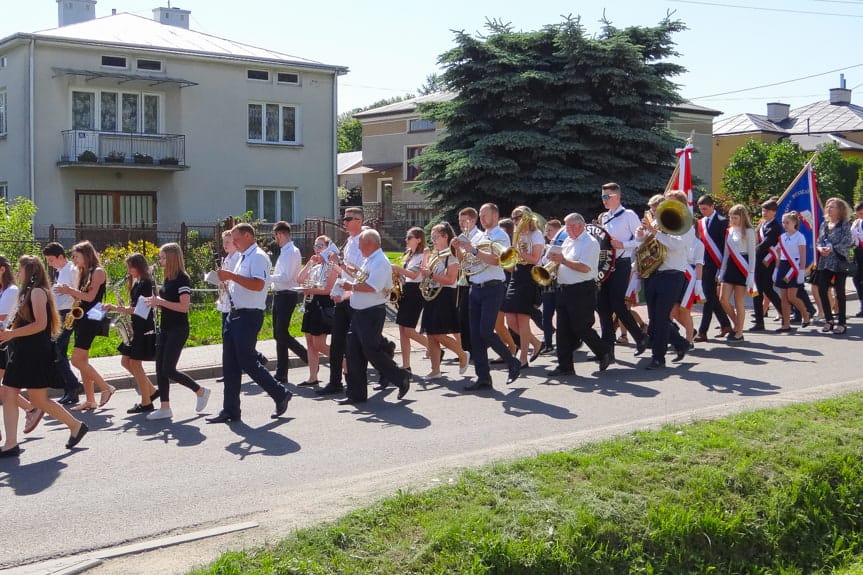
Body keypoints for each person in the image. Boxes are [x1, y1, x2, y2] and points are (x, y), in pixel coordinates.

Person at [0, 256, 88, 457]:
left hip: (34, 351)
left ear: (30, 271)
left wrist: (12, 334)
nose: (18, 273)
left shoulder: (38, 292)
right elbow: (22, 322)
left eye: (21, 269)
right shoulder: (27, 292)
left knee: (31, 398)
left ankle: (74, 425)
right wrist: (8, 334)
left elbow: (40, 324)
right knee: (17, 395)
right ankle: (12, 443)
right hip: (24, 349)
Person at [208, 224, 292, 423]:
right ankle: (230, 410)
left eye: (236, 239)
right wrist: (225, 282)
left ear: (248, 236)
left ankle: (280, 393)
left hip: (249, 315)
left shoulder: (258, 257)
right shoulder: (243, 257)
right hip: (234, 313)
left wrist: (230, 276)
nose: (233, 242)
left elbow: (258, 284)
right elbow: (240, 283)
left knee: (247, 361)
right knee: (229, 364)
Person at [452, 203, 521, 391]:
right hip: (476, 287)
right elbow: (465, 264)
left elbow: (496, 260)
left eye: (485, 216)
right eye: (480, 216)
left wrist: (473, 249)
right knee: (475, 336)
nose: (482, 219)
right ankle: (483, 377)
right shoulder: (480, 236)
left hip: (493, 288)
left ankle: (512, 361)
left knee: (485, 331)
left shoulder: (500, 236)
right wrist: (459, 248)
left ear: (495, 216)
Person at [339, 229, 410, 404]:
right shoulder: (369, 260)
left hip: (371, 312)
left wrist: (351, 287)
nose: (359, 248)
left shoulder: (380, 261)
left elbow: (373, 286)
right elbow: (362, 279)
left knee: (371, 351)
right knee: (354, 353)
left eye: (361, 245)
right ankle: (357, 394)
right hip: (360, 312)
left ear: (371, 244)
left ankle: (401, 377)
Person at [146, 244, 210, 420]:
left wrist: (160, 301)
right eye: (160, 258)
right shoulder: (168, 278)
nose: (161, 261)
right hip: (165, 327)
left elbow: (183, 307)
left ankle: (200, 391)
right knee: (160, 368)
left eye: (164, 258)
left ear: (173, 258)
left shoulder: (183, 279)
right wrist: (155, 300)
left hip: (178, 329)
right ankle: (165, 407)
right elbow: (165, 301)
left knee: (168, 369)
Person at [546, 213, 612, 376]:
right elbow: (562, 262)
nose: (565, 229)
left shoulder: (589, 243)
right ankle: (565, 366)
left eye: (569, 226)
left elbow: (584, 267)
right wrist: (553, 261)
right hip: (564, 288)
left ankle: (604, 351)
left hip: (582, 289)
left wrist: (562, 261)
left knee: (581, 327)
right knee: (562, 330)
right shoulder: (568, 241)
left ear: (580, 226)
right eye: (566, 226)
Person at [55, 240, 115, 411]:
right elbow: (80, 297)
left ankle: (106, 387)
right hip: (82, 316)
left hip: (92, 316)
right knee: (83, 360)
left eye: (76, 256)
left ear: (86, 254)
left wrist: (69, 291)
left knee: (76, 360)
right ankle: (90, 400)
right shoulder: (83, 271)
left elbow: (90, 297)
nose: (74, 260)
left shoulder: (98, 272)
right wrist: (72, 297)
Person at [636, 191, 692, 369]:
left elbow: (677, 245)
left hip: (672, 275)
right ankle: (681, 343)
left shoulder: (686, 224)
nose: (667, 207)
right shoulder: (659, 221)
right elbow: (644, 242)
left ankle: (658, 357)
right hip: (653, 273)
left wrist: (656, 232)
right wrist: (642, 234)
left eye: (672, 203)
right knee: (654, 318)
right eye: (667, 203)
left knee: (660, 318)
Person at [102, 254, 159, 414]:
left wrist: (116, 308)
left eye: (130, 267)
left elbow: (141, 309)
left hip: (143, 326)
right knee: (126, 362)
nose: (128, 271)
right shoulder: (138, 282)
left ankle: (146, 402)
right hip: (136, 326)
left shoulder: (146, 283)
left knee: (135, 363)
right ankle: (152, 391)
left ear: (138, 266)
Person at [316, 207, 364, 396]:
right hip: (343, 295)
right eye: (343, 218)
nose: (344, 222)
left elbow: (360, 273)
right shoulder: (349, 241)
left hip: (357, 295)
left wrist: (341, 264)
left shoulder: (364, 241)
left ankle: (386, 360)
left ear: (359, 221)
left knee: (363, 340)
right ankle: (335, 381)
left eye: (348, 218)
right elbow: (343, 271)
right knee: (337, 341)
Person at [596, 183, 647, 359]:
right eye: (602, 197)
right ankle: (607, 350)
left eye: (606, 197)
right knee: (602, 307)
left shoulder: (629, 215)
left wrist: (623, 244)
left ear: (617, 197)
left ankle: (640, 337)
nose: (604, 200)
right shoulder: (604, 217)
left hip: (622, 263)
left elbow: (642, 241)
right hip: (606, 265)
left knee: (617, 304)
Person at [419, 223, 469, 380]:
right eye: (432, 236)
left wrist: (431, 275)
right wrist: (426, 259)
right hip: (432, 296)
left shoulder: (451, 257)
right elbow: (425, 272)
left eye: (436, 236)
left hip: (445, 296)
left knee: (439, 334)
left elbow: (450, 279)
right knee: (431, 335)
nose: (433, 239)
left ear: (445, 236)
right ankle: (435, 370)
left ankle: (462, 354)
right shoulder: (436, 255)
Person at [501, 206, 544, 367]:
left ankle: (523, 358)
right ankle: (536, 343)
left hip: (529, 276)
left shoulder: (536, 234)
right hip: (516, 275)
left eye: (518, 217)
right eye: (513, 218)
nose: (515, 221)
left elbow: (535, 258)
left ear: (527, 217)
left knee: (523, 319)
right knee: (511, 320)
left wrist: (520, 254)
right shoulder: (517, 235)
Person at [43, 242, 82, 405]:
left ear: (60, 257)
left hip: (68, 313)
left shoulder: (72, 270)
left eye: (51, 260)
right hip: (59, 314)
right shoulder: (60, 271)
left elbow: (78, 293)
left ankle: (73, 384)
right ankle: (70, 390)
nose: (50, 264)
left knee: (58, 351)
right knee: (59, 352)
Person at [270, 221, 308, 384]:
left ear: (281, 234)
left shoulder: (291, 252)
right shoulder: (285, 251)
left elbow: (286, 277)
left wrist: (266, 277)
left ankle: (306, 357)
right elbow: (281, 275)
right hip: (280, 294)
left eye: (276, 236)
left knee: (281, 333)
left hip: (287, 294)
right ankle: (282, 372)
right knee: (278, 334)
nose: (275, 239)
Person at [297, 235, 337, 386]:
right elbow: (300, 279)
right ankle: (313, 376)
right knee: (310, 342)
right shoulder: (315, 267)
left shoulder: (330, 267)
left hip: (323, 305)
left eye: (321, 246)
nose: (317, 249)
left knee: (319, 343)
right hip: (311, 305)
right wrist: (309, 263)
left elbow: (329, 289)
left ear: (328, 248)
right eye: (316, 246)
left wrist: (310, 289)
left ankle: (346, 363)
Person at [694, 195, 732, 341]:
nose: (702, 211)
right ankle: (726, 324)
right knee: (711, 297)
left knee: (708, 298)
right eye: (700, 209)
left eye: (705, 208)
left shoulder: (723, 222)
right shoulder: (700, 223)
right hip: (704, 264)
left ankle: (703, 332)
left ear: (712, 207)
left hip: (717, 264)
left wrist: (722, 267)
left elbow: (725, 246)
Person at [393, 227, 429, 374]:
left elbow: (415, 276)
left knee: (408, 330)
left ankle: (432, 347)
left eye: (409, 237)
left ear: (418, 239)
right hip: (407, 290)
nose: (406, 240)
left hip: (416, 292)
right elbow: (407, 277)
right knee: (402, 329)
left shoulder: (423, 255)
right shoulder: (410, 255)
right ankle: (406, 365)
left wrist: (397, 268)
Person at [718, 204, 757, 342]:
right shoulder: (729, 231)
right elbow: (726, 252)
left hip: (743, 265)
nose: (733, 220)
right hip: (730, 266)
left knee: (738, 300)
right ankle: (736, 323)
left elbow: (752, 254)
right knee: (723, 299)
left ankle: (739, 331)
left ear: (742, 217)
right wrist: (722, 271)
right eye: (731, 217)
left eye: (735, 217)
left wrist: (751, 274)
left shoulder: (749, 231)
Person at [816, 197, 854, 335]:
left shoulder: (844, 224)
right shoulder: (824, 224)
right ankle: (829, 319)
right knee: (822, 289)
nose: (829, 209)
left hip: (839, 260)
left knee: (840, 292)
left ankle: (842, 322)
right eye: (828, 207)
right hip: (825, 261)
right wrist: (820, 248)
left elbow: (848, 241)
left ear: (840, 210)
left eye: (832, 207)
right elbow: (819, 241)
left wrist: (832, 247)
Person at [751, 199, 784, 331]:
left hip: (767, 262)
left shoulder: (775, 226)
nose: (764, 213)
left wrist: (752, 250)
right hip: (758, 261)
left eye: (767, 211)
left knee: (767, 290)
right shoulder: (763, 224)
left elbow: (767, 243)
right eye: (763, 210)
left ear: (774, 212)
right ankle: (759, 321)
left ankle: (785, 313)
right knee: (758, 291)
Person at [774, 212, 809, 332]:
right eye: (783, 222)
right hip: (783, 266)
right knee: (783, 298)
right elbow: (779, 254)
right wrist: (776, 269)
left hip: (794, 267)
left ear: (794, 222)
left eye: (787, 222)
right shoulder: (782, 237)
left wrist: (801, 271)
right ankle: (786, 324)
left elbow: (803, 255)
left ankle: (805, 313)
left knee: (792, 297)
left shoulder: (800, 236)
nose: (785, 224)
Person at [455, 207, 482, 355]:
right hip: (464, 280)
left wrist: (467, 248)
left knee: (471, 317)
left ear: (472, 220)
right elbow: (461, 261)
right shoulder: (462, 235)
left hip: (475, 278)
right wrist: (458, 248)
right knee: (462, 317)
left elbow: (476, 258)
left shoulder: (478, 236)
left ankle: (473, 349)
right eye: (459, 221)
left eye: (463, 221)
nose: (460, 224)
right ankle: (465, 350)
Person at [539, 219, 568, 354]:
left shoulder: (565, 243)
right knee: (546, 315)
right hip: (548, 283)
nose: (547, 233)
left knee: (562, 315)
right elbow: (543, 262)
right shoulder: (547, 246)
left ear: (558, 231)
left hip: (560, 282)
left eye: (550, 230)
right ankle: (548, 343)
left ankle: (568, 342)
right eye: (546, 230)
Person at [852, 201, 863, 317]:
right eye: (859, 214)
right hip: (859, 252)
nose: (861, 216)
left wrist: (856, 233)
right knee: (857, 279)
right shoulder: (857, 222)